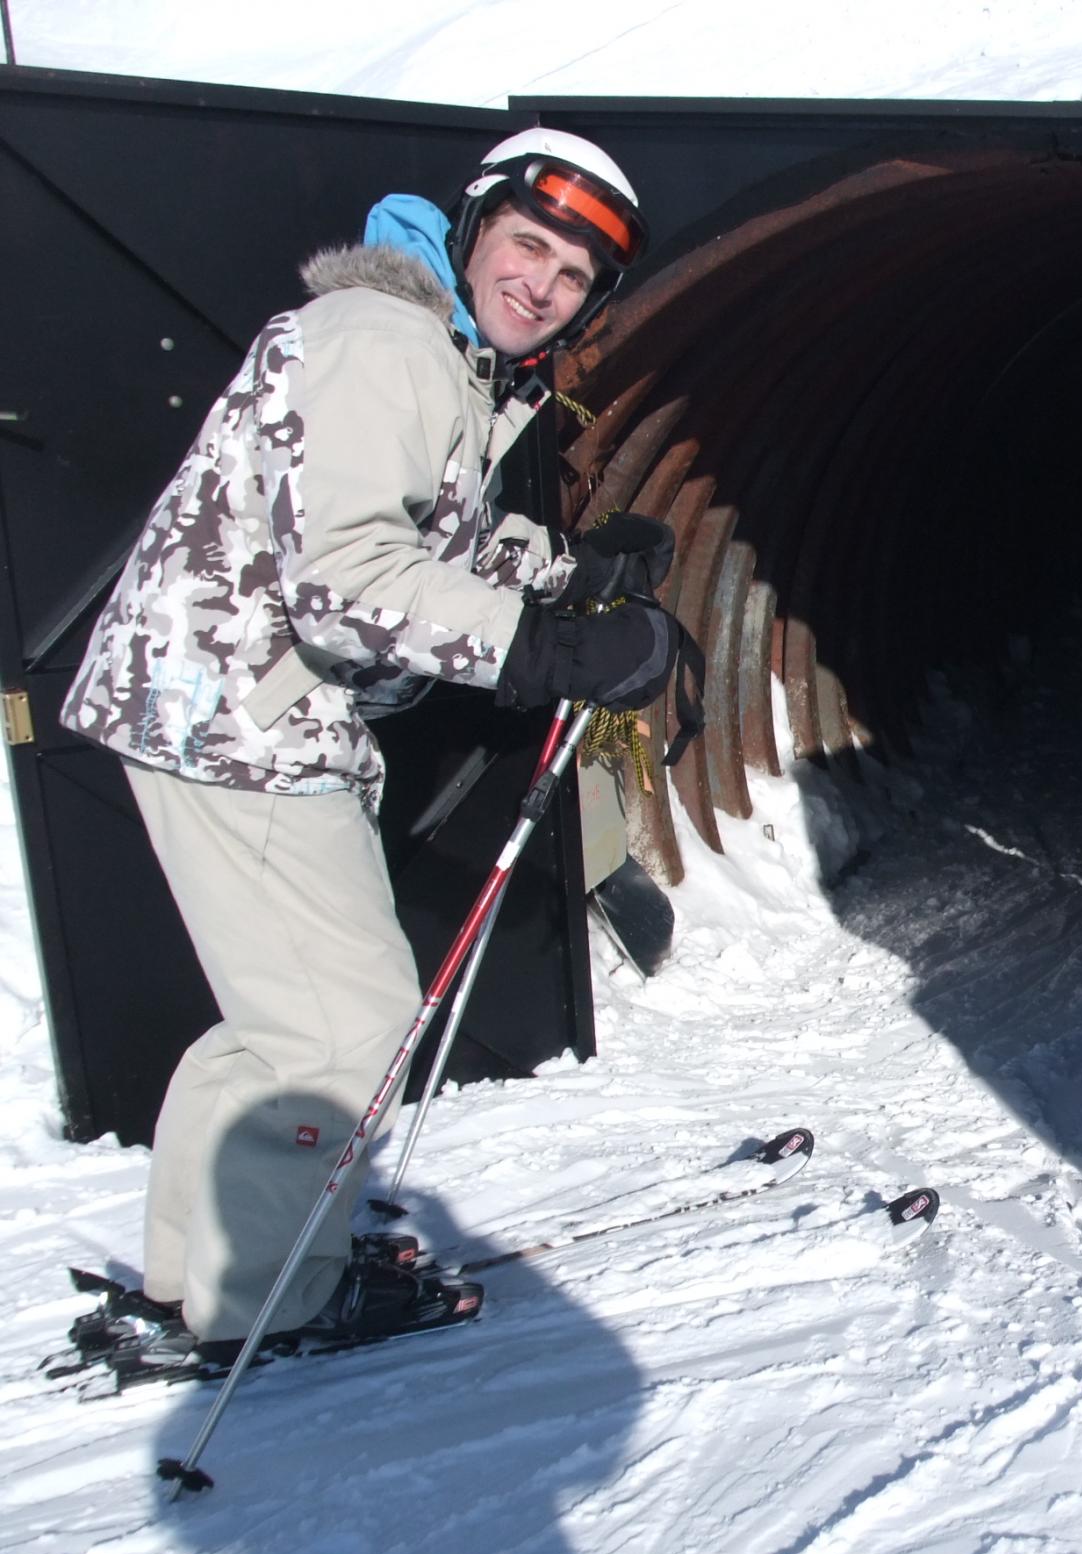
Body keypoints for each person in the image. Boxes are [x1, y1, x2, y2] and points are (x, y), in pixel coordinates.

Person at [56, 129, 687, 1369]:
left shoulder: (433, 355)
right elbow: (348, 579)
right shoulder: (382, 344)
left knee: (280, 1025)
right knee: (347, 1031)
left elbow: (415, 534)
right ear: (472, 232)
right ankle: (274, 1299)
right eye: (527, 247)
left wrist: (571, 572)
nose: (540, 285)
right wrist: (550, 653)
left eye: (570, 277)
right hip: (239, 716)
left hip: (230, 709)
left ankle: (209, 1273)